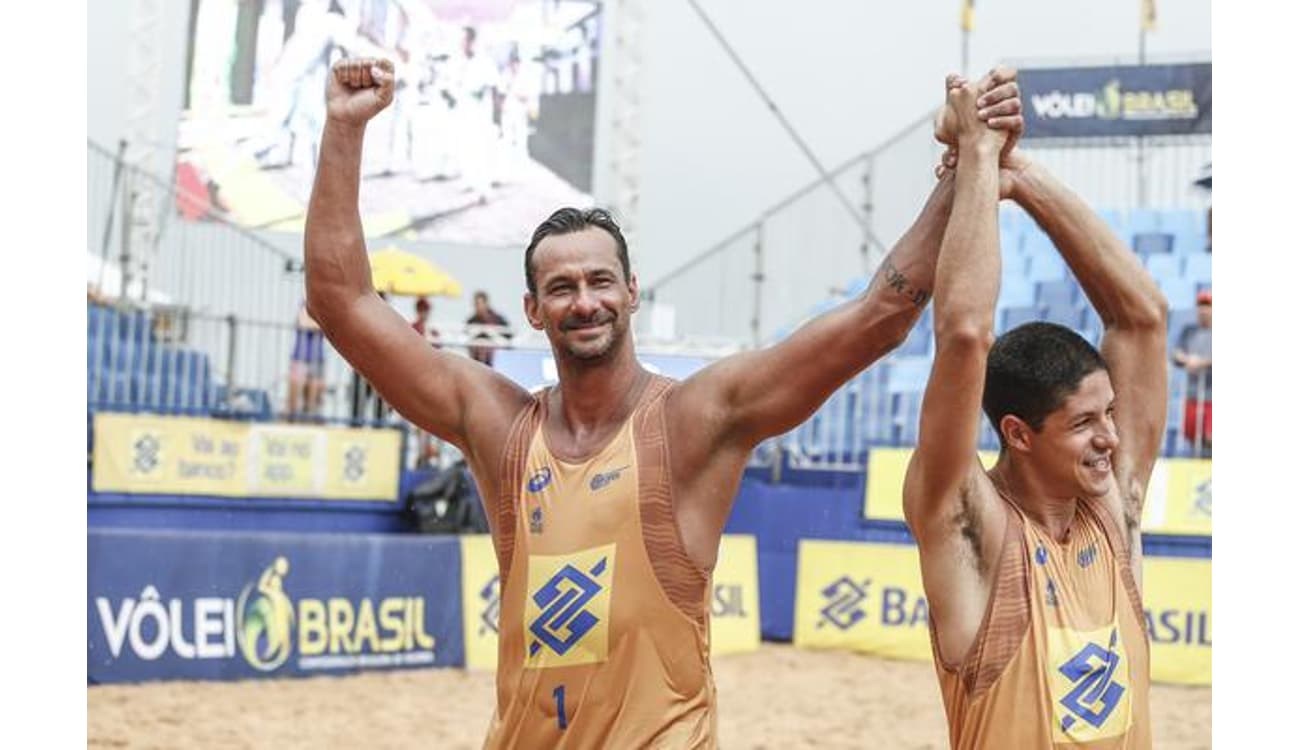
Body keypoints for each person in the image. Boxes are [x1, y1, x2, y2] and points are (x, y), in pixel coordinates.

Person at [304, 57, 1022, 748]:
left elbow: (878, 317)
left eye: (599, 281)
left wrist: (962, 173)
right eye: (561, 288)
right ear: (532, 309)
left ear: (632, 291)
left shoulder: (693, 422)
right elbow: (342, 304)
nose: (584, 302)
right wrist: (344, 129)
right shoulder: (499, 427)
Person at [904, 74, 1167, 748]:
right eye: (1084, 424)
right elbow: (964, 333)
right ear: (1017, 434)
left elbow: (1140, 319)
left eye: (1108, 414)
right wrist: (978, 165)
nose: (1111, 438)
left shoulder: (1112, 505)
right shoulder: (969, 523)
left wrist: (1015, 173)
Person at [1172, 289, 1211, 457]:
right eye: (1201, 305)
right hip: (1192, 394)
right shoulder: (1188, 331)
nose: (1204, 310)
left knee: (1211, 437)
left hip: (1213, 396)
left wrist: (1201, 362)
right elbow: (1175, 353)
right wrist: (1188, 360)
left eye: (1208, 305)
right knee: (1193, 437)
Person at [288, 302, 326, 419]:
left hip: (317, 358)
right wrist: (317, 324)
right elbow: (303, 323)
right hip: (300, 357)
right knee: (295, 391)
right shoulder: (304, 306)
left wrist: (316, 324)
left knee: (314, 395)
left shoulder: (323, 309)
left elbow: (322, 326)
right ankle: (291, 419)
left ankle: (309, 418)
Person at [466, 290, 510, 366]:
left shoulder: (498, 319)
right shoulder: (471, 320)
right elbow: (465, 337)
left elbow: (509, 336)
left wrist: (492, 334)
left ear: (486, 303)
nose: (477, 307)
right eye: (476, 304)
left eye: (479, 304)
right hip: (475, 361)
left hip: (494, 359)